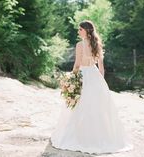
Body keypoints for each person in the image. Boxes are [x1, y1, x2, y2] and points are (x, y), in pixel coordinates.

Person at [50, 20, 133, 154]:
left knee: (79, 105)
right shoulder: (97, 45)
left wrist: (72, 78)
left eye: (80, 29)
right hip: (95, 76)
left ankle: (81, 137)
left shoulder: (79, 45)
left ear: (86, 31)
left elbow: (77, 65)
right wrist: (101, 82)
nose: (78, 31)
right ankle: (99, 137)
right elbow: (101, 68)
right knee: (97, 108)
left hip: (83, 75)